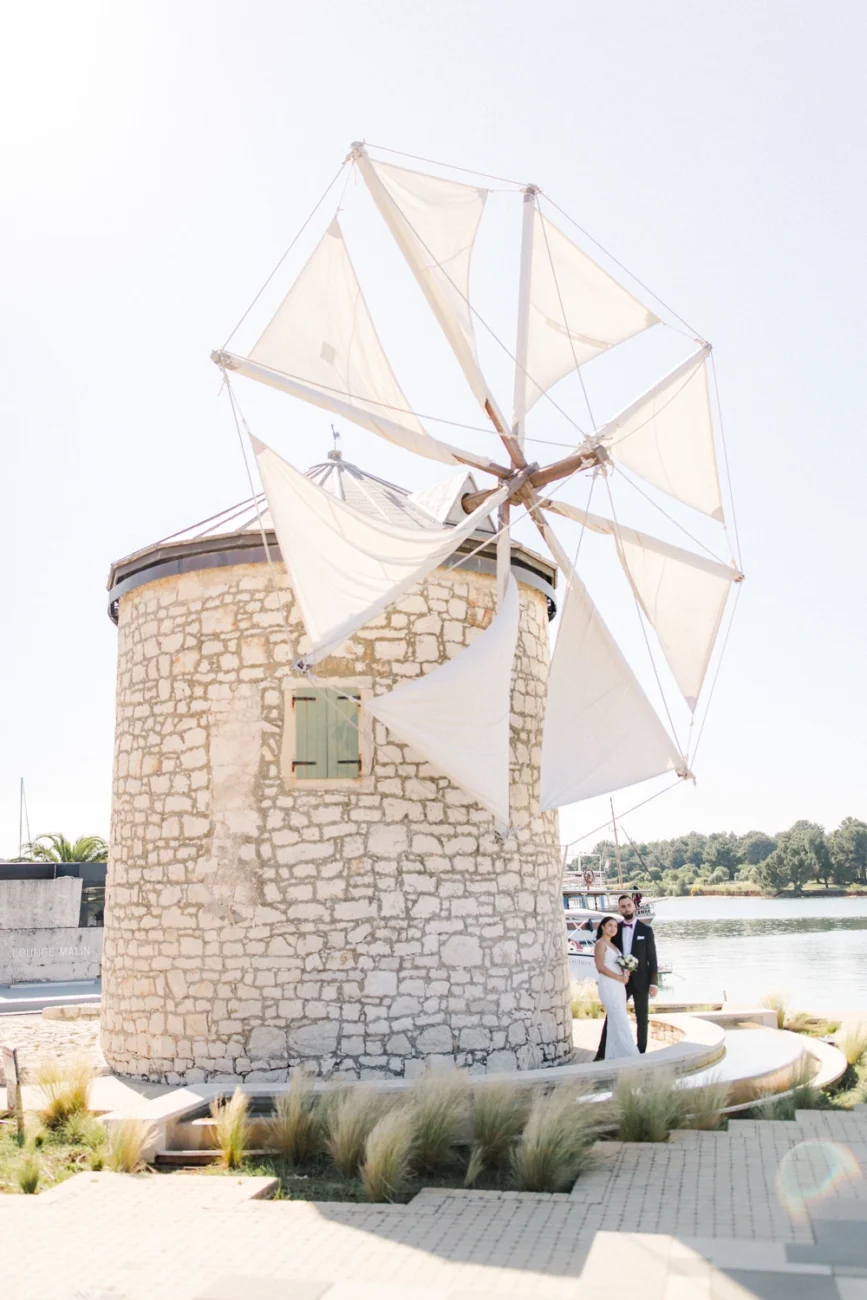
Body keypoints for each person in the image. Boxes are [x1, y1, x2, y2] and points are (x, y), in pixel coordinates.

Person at [593, 893, 659, 1059]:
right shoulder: (616, 929)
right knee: (613, 1015)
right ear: (619, 909)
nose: (627, 909)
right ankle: (601, 1053)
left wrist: (654, 983)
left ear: (634, 906)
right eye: (623, 906)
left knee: (642, 1018)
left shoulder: (646, 930)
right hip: (620, 982)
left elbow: (652, 958)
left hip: (641, 981)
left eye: (629, 905)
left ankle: (640, 1053)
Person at [593, 917, 638, 1059]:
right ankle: (630, 1054)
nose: (613, 928)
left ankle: (612, 1056)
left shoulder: (613, 945)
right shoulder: (600, 944)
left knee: (615, 1021)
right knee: (619, 1018)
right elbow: (600, 967)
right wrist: (618, 977)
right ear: (603, 927)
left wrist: (626, 972)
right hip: (609, 985)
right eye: (610, 925)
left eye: (615, 926)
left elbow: (616, 964)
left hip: (619, 986)